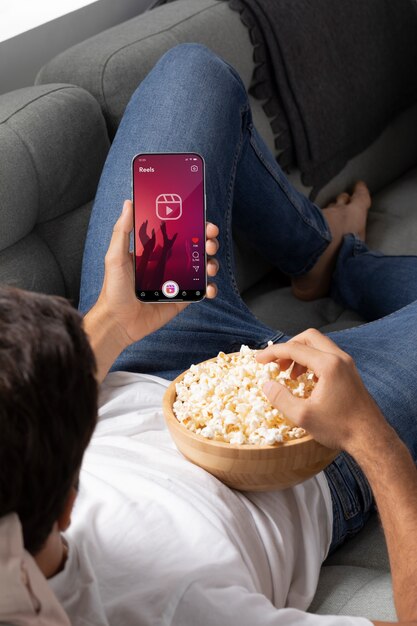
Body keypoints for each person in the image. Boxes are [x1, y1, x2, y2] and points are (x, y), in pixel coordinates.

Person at [1, 43, 417, 626]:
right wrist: (371, 439)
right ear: (68, 505)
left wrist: (114, 320)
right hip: (298, 456)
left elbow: (28, 394)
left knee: (193, 73)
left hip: (145, 346)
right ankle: (347, 262)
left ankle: (318, 254)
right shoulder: (183, 610)